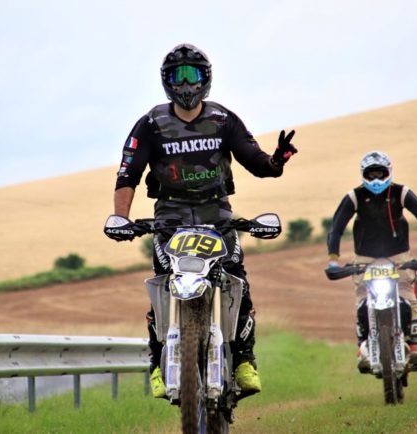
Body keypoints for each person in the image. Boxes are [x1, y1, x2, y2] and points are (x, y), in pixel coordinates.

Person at [103, 43, 298, 399]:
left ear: (205, 78)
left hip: (217, 216)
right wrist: (121, 220)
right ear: (166, 81)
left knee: (237, 280)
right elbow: (127, 175)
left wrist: (277, 161)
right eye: (177, 76)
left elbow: (258, 163)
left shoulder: (224, 120)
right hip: (169, 218)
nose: (185, 84)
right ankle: (158, 363)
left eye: (192, 74)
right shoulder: (150, 124)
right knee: (164, 286)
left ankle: (244, 360)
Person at [326, 151, 417, 373]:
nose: (376, 179)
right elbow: (335, 229)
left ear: (389, 172)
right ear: (363, 175)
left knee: (406, 292)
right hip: (365, 258)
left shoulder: (401, 193)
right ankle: (363, 345)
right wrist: (333, 261)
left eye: (380, 173)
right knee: (362, 296)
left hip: (399, 256)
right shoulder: (354, 196)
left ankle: (414, 342)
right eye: (371, 174)